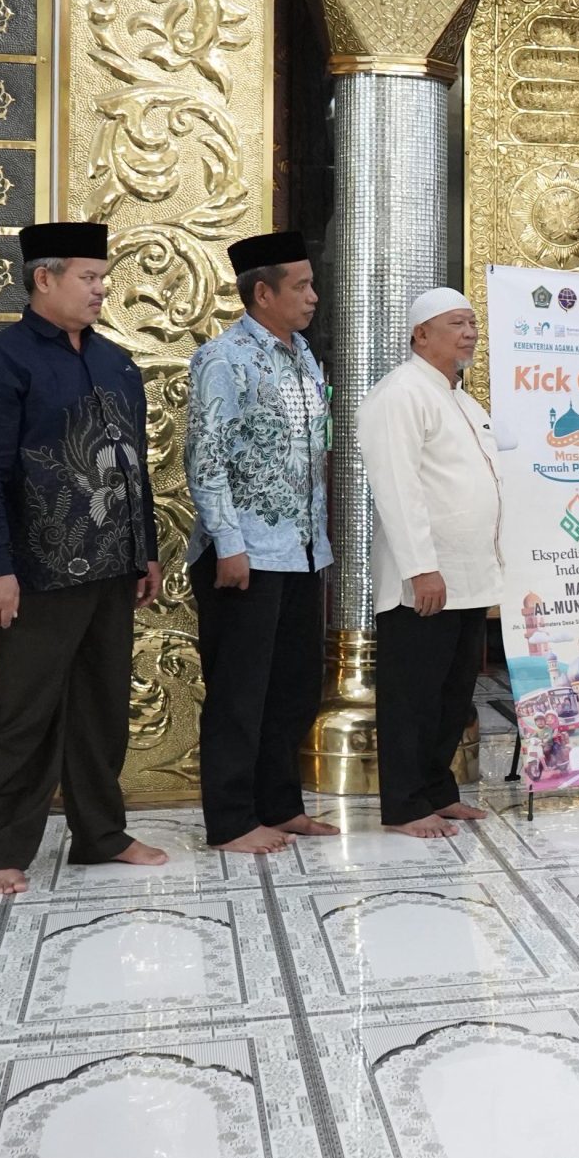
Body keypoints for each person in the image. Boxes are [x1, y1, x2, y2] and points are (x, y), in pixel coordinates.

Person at [0, 222, 168, 893]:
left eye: (103, 277)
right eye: (88, 277)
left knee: (101, 708)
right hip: (35, 572)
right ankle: (4, 850)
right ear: (43, 278)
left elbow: (133, 467)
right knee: (24, 712)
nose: (101, 289)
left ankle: (102, 834)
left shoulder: (116, 363)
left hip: (112, 567)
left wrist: (145, 551)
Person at [185, 230, 338, 855]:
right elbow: (206, 456)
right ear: (263, 293)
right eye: (301, 286)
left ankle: (280, 805)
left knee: (293, 688)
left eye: (311, 284)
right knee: (239, 693)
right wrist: (229, 542)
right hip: (244, 554)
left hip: (303, 551)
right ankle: (230, 820)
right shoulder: (224, 359)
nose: (313, 296)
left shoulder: (304, 357)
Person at [359, 286, 503, 837]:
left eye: (473, 323)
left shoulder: (462, 399)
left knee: (452, 694)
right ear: (421, 334)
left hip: (469, 575)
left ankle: (437, 792)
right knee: (413, 695)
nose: (470, 333)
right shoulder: (400, 393)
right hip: (426, 577)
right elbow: (397, 488)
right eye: (457, 323)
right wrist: (421, 567)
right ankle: (403, 805)